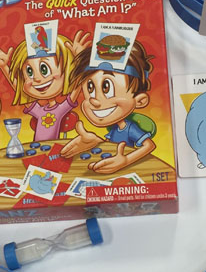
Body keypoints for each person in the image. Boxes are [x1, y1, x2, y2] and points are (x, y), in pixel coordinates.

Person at [61, 40, 156, 174]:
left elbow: (149, 145)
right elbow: (110, 144)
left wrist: (126, 160)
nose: (94, 101)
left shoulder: (130, 128)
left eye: (106, 88)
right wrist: (95, 141)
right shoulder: (114, 128)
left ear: (140, 101)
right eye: (90, 88)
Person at [0, 30, 90, 142]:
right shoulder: (38, 110)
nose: (37, 79)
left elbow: (76, 87)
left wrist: (80, 60)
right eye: (29, 72)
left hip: (53, 148)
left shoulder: (60, 109)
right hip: (37, 147)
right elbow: (18, 88)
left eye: (44, 69)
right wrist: (4, 67)